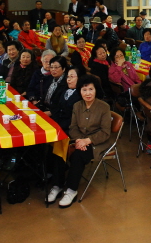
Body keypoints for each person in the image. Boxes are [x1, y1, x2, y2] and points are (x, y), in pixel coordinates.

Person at [47, 75, 111, 208]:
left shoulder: (104, 107)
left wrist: (87, 141)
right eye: (84, 90)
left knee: (78, 155)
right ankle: (57, 185)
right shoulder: (77, 106)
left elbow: (105, 132)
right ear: (79, 92)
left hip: (97, 143)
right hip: (79, 140)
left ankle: (71, 190)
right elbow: (73, 127)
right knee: (60, 148)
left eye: (90, 89)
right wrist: (78, 141)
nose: (88, 93)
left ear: (96, 90)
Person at [49, 66, 84, 134]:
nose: (68, 79)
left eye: (72, 77)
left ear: (80, 78)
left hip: (69, 128)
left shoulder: (82, 95)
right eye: (68, 77)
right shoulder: (65, 91)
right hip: (58, 123)